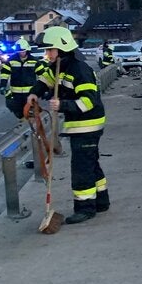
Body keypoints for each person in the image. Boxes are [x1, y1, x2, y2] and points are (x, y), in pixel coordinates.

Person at [28, 26, 108, 225]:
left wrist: (63, 105)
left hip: (88, 125)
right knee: (90, 163)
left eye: (50, 50)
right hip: (79, 125)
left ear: (62, 49)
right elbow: (46, 80)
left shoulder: (79, 69)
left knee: (81, 167)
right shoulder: (60, 67)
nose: (47, 54)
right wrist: (34, 93)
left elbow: (90, 101)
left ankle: (85, 208)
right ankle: (101, 201)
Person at [0, 39, 44, 119]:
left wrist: (43, 89)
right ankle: (23, 123)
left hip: (30, 93)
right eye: (19, 51)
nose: (21, 53)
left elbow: (42, 75)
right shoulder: (11, 61)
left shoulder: (34, 61)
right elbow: (4, 74)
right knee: (18, 113)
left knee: (30, 114)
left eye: (23, 51)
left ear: (27, 50)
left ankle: (31, 129)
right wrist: (2, 86)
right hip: (16, 93)